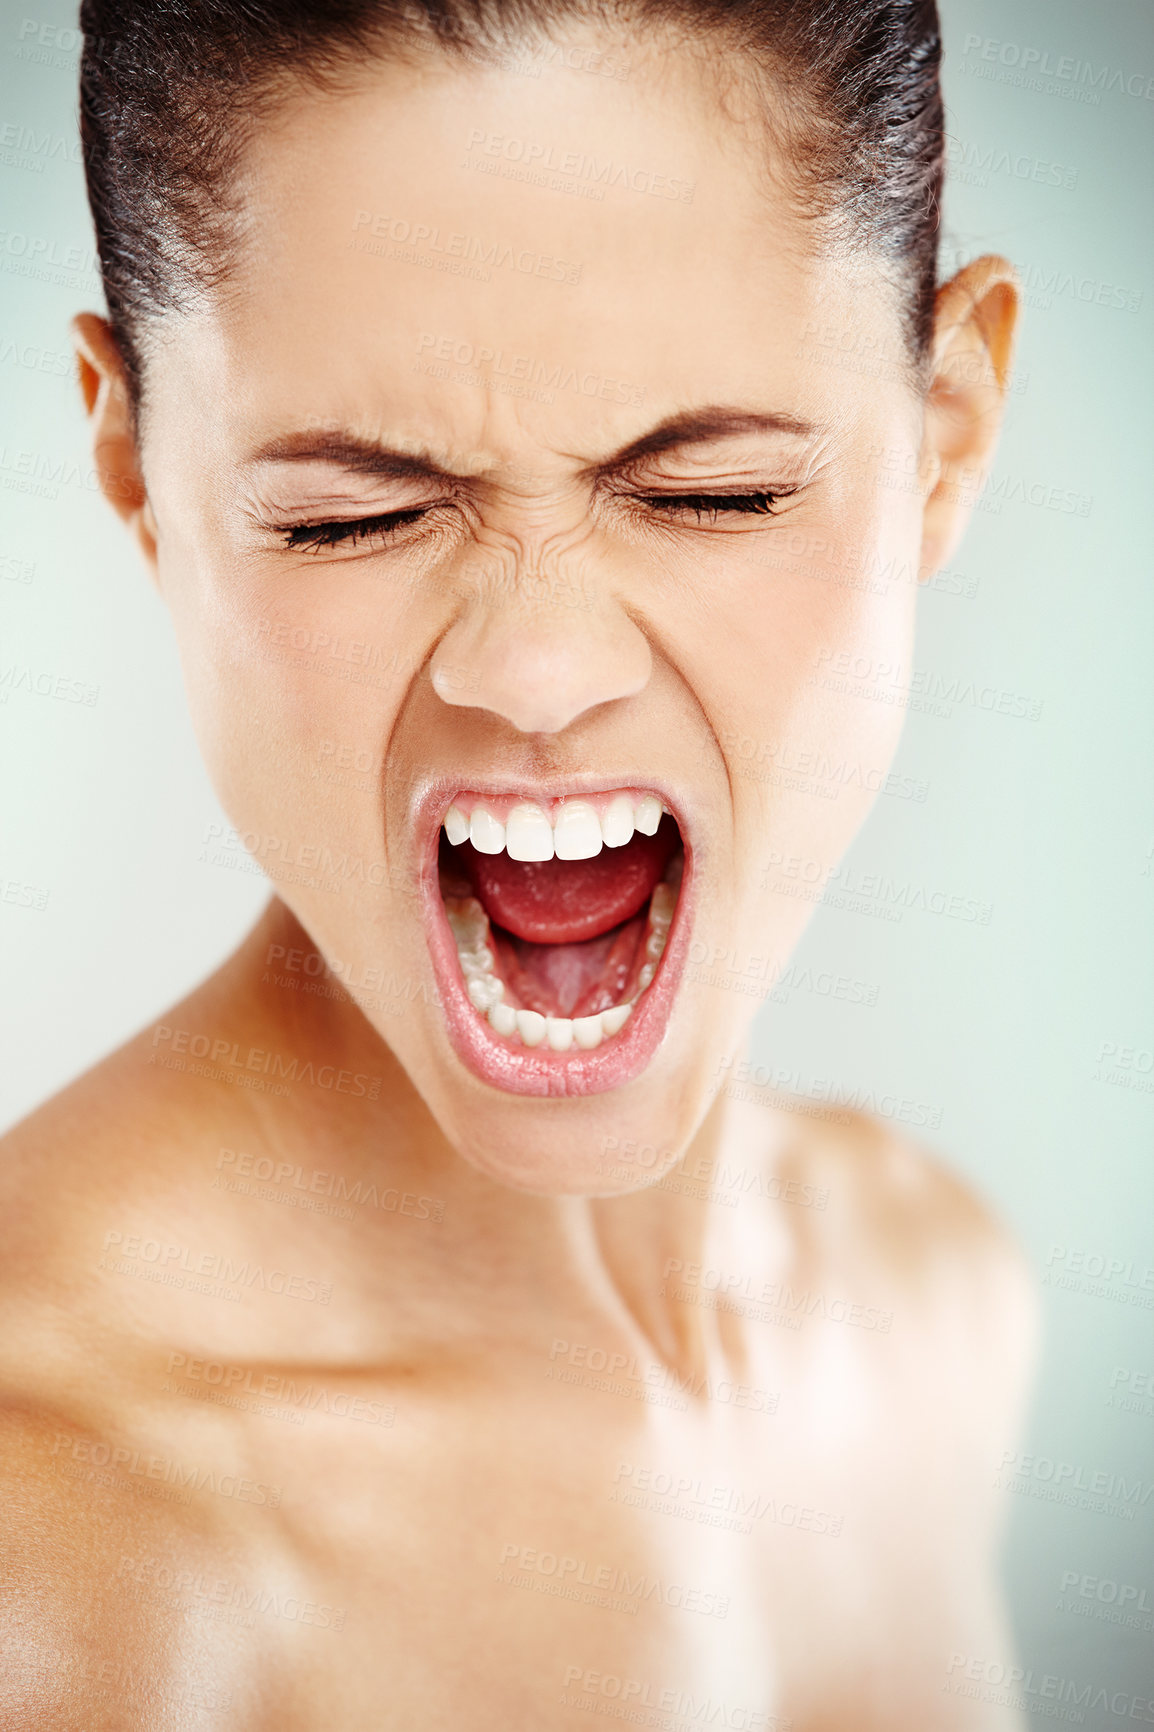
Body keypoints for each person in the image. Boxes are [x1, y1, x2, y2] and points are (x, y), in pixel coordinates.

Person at [0, 0, 1036, 1724]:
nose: (538, 671)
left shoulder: (936, 1295)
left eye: (710, 492)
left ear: (945, 431)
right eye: (354, 517)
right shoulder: (48, 1540)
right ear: (136, 470)